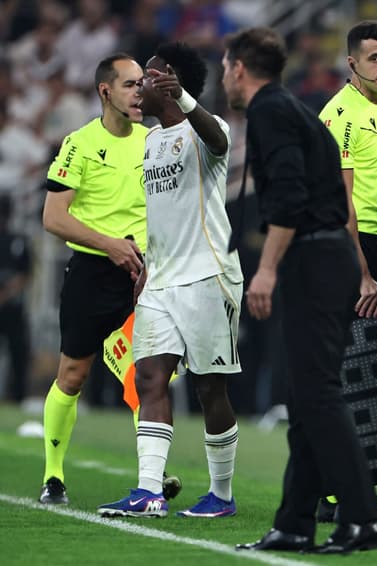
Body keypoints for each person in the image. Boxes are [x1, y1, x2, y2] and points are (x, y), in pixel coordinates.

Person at [221, 27, 377, 554]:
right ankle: (294, 521)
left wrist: (265, 270)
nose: (224, 77)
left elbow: (289, 197)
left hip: (313, 257)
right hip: (323, 256)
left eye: (226, 68)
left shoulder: (270, 111)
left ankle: (362, 518)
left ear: (239, 69)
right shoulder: (288, 109)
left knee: (316, 394)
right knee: (305, 397)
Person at [97, 41, 241, 519]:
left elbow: (219, 143)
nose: (137, 88)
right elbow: (162, 215)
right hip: (161, 279)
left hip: (208, 275)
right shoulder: (151, 141)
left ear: (169, 82)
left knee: (209, 388)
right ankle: (148, 492)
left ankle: (221, 493)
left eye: (146, 79)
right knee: (151, 376)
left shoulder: (209, 127)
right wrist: (148, 270)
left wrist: (185, 100)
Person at [39, 52, 148, 505]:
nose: (140, 91)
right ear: (106, 91)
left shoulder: (155, 142)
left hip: (143, 273)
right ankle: (53, 476)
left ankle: (151, 483)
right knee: (73, 374)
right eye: (130, 84)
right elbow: (53, 217)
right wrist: (110, 244)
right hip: (92, 271)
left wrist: (151, 260)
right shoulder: (79, 144)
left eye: (143, 83)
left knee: (149, 377)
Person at [318, 20, 377, 318]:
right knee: (361, 357)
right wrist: (362, 274)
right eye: (375, 58)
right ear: (352, 63)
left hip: (374, 242)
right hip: (351, 247)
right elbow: (339, 201)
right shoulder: (341, 115)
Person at [0, 195, 31, 403]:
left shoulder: (17, 241)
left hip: (12, 307)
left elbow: (25, 274)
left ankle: (17, 396)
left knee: (18, 352)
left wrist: (5, 294)